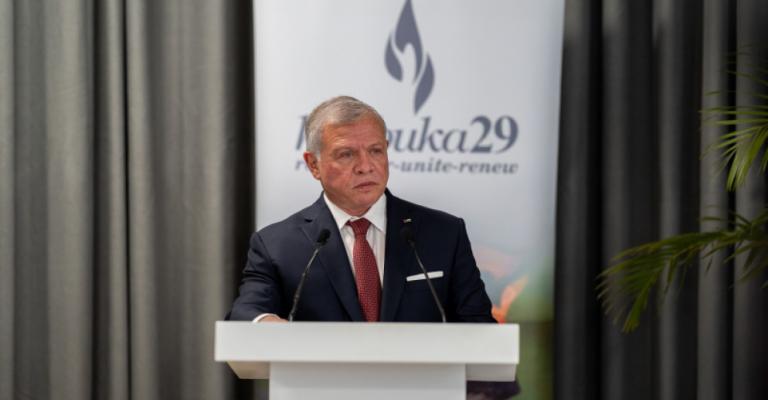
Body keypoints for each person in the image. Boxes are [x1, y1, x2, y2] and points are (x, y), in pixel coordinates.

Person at [228, 95, 495, 323]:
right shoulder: (276, 245)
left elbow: (479, 326)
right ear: (313, 165)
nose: (366, 166)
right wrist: (266, 324)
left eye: (375, 151)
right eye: (346, 154)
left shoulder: (444, 234)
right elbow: (245, 314)